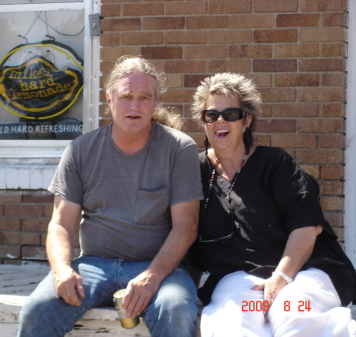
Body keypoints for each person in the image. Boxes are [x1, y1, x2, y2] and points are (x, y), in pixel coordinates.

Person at [17, 56, 203, 337]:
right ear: (109, 99)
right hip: (94, 266)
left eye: (144, 97)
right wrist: (62, 271)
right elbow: (61, 223)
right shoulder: (81, 150)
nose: (135, 105)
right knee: (37, 310)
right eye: (126, 96)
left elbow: (186, 226)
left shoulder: (179, 148)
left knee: (175, 308)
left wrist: (151, 278)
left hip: (160, 268)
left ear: (155, 103)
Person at [188, 72, 356, 337]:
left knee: (293, 313)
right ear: (204, 122)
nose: (220, 120)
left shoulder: (276, 164)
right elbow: (190, 240)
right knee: (232, 325)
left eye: (230, 114)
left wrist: (281, 278)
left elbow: (306, 226)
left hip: (304, 270)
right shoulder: (195, 171)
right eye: (211, 115)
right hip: (239, 279)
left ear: (247, 121)